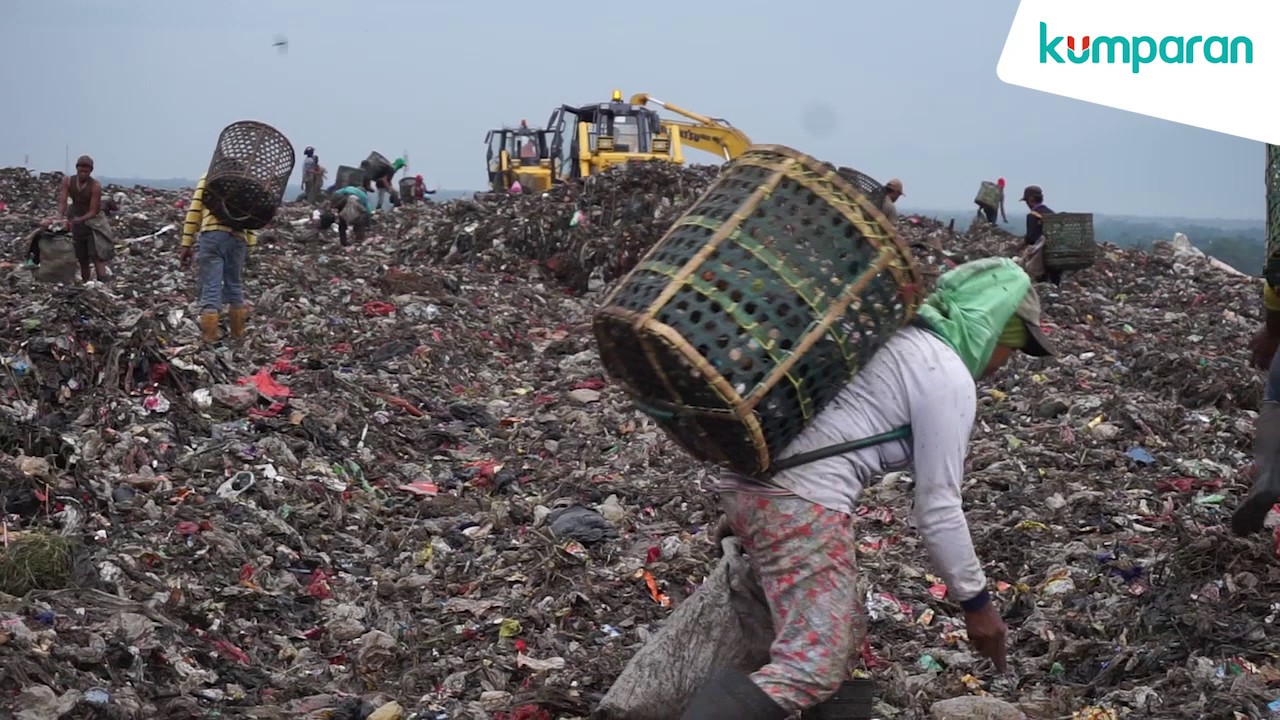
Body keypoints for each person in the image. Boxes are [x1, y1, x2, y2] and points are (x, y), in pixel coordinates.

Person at [683, 257, 1055, 719]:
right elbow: (938, 508)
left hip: (750, 488)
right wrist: (977, 604)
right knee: (810, 667)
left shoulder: (898, 340)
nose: (1003, 365)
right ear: (994, 329)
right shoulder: (946, 374)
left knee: (839, 632)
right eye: (1011, 350)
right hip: (800, 505)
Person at [180, 174, 257, 343]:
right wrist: (250, 244)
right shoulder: (245, 181)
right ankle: (238, 335)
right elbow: (251, 217)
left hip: (213, 235)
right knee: (234, 285)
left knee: (210, 286)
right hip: (238, 238)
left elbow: (195, 210)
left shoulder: (210, 176)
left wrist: (186, 243)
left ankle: (210, 337)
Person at [53, 155, 112, 282]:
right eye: (81, 170)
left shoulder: (95, 186)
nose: (83, 173)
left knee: (96, 254)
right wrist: (60, 216)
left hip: (93, 223)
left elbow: (93, 210)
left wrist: (80, 219)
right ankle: (87, 283)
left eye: (86, 171)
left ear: (91, 171)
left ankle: (103, 281)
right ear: (77, 168)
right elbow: (63, 201)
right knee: (82, 257)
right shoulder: (68, 181)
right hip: (76, 219)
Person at [1020, 185, 1062, 286]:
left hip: (1043, 258)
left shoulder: (1033, 216)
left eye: (1026, 201)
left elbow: (1032, 238)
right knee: (1055, 283)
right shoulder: (1052, 213)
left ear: (1031, 199)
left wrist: (1024, 243)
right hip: (1058, 255)